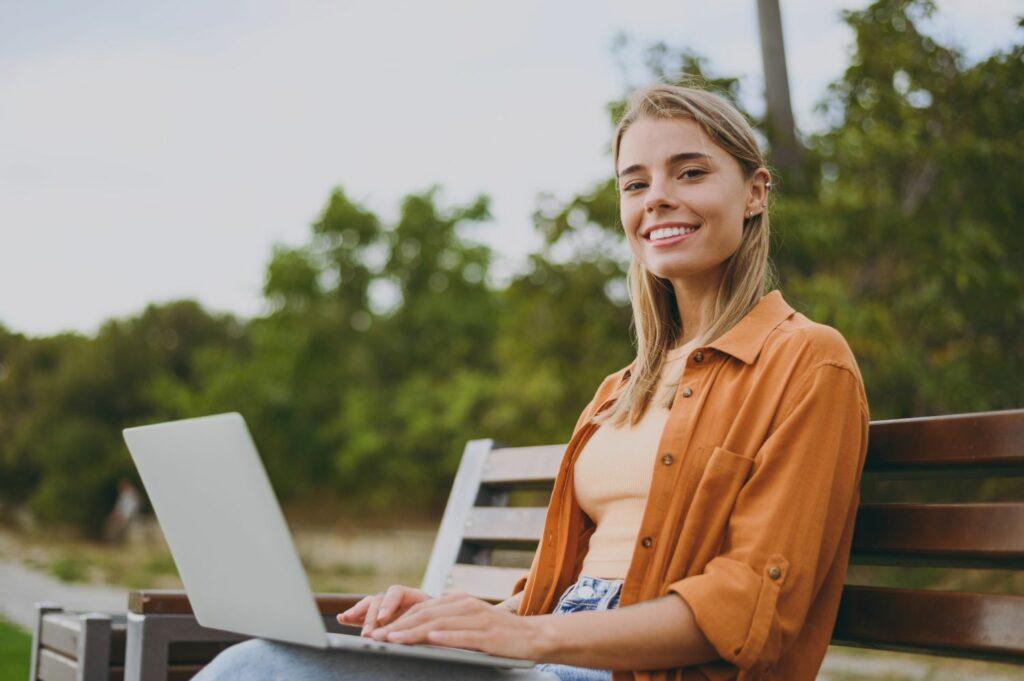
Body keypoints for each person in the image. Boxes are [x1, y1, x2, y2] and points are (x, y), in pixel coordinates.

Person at [195, 82, 869, 681]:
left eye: (689, 172)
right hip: (555, 651)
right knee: (252, 664)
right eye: (635, 184)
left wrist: (526, 632)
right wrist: (454, 616)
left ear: (755, 192)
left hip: (638, 667)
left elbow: (751, 603)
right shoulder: (618, 389)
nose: (658, 196)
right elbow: (568, 584)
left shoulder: (808, 361)